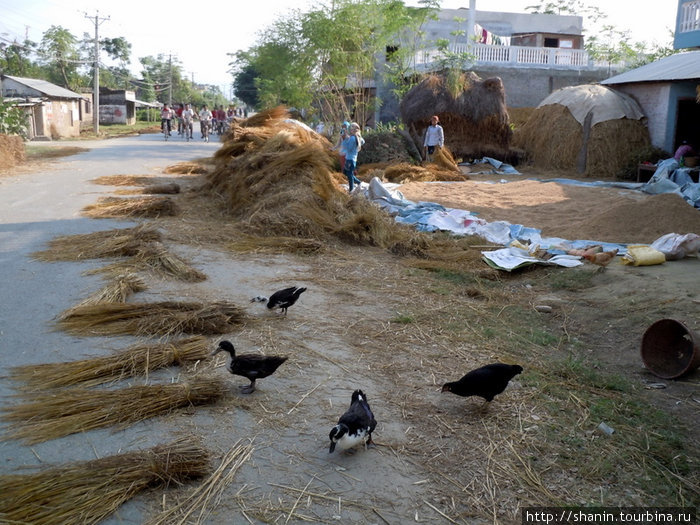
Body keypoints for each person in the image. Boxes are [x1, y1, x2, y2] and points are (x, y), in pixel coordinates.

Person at [339, 122, 364, 193]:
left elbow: (348, 148)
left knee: (349, 174)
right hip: (352, 159)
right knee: (346, 172)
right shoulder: (357, 137)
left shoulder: (352, 138)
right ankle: (359, 183)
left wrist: (344, 140)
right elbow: (363, 141)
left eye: (350, 128)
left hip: (350, 159)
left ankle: (351, 189)